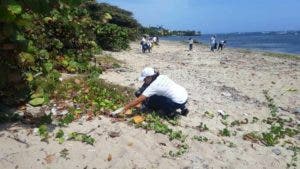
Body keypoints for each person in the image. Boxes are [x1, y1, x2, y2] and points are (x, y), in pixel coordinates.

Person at [123, 67, 189, 117]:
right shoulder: (162, 76)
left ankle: (170, 113)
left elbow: (138, 100)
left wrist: (124, 108)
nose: (144, 81)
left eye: (145, 79)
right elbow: (146, 85)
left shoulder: (153, 86)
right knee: (169, 94)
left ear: (149, 77)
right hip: (184, 95)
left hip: (176, 102)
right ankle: (183, 107)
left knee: (152, 103)